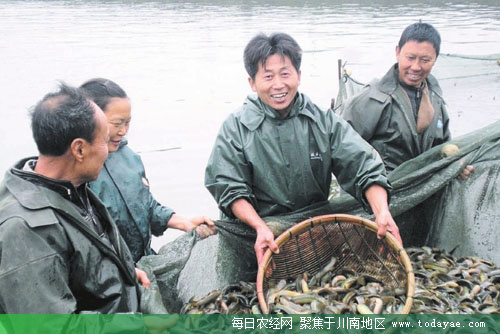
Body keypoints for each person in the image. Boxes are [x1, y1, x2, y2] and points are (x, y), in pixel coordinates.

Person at [205, 32, 402, 266]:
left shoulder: (323, 121)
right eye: (268, 76)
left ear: (298, 75)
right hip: (259, 236)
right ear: (252, 83)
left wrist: (381, 212)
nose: (278, 85)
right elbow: (229, 187)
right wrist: (259, 227)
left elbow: (364, 166)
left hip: (317, 231)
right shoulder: (235, 127)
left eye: (285, 74)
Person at [0, 83, 145, 313]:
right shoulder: (25, 230)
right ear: (79, 150)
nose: (109, 151)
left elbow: (81, 261)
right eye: (104, 140)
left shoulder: (71, 187)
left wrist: (122, 272)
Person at [80, 78, 215, 263]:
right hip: (108, 271)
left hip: (143, 260)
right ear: (90, 120)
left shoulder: (129, 158)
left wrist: (184, 222)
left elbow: (146, 207)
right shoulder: (77, 170)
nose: (123, 131)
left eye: (127, 123)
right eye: (117, 124)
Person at [342, 22, 474, 177]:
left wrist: (456, 164)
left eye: (425, 60)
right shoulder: (372, 99)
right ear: (397, 52)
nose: (416, 67)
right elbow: (344, 153)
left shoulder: (435, 98)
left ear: (435, 58)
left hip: (426, 189)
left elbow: (443, 144)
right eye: (410, 58)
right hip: (384, 192)